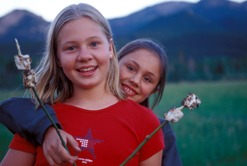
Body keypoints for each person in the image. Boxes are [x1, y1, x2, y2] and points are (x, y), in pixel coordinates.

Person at [0, 3, 164, 166]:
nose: (84, 56)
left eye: (94, 44)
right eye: (71, 48)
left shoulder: (146, 122)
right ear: (58, 58)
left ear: (110, 48)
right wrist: (45, 130)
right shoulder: (39, 121)